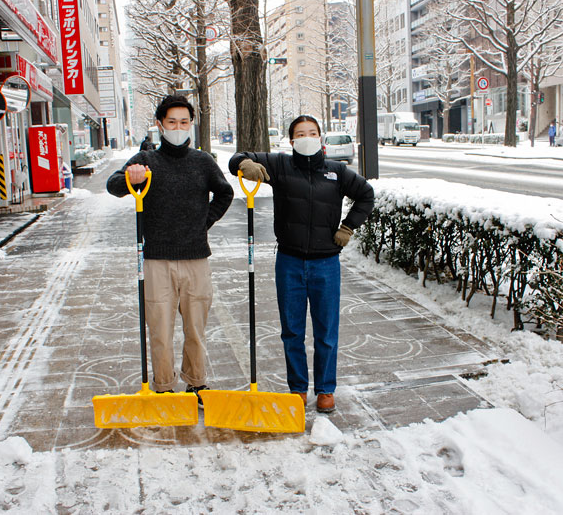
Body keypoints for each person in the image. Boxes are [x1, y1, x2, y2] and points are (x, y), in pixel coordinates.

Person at [228, 115, 374, 413]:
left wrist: (347, 227)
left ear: (321, 138)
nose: (306, 137)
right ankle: (297, 388)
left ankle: (325, 389)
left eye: (312, 132)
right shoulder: (280, 165)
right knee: (292, 330)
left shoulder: (337, 172)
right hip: (290, 262)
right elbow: (236, 159)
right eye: (299, 134)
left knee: (326, 330)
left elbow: (366, 195)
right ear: (291, 140)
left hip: (326, 264)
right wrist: (245, 164)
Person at [107, 95, 234, 406]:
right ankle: (163, 385)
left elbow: (225, 192)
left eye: (184, 122)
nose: (178, 127)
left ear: (191, 125)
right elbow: (113, 185)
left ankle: (197, 383)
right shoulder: (147, 160)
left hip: (196, 259)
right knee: (161, 329)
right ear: (160, 124)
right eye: (172, 122)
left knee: (196, 329)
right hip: (158, 260)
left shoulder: (202, 161)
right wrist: (130, 178)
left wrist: (203, 222)